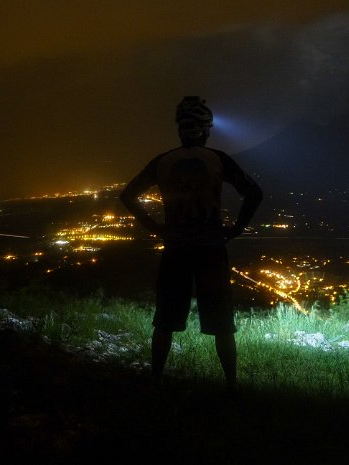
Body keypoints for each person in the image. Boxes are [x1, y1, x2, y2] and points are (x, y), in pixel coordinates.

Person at [119, 96, 262, 392]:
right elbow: (254, 193)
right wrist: (235, 228)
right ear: (207, 129)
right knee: (221, 322)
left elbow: (128, 195)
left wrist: (156, 227)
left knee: (165, 320)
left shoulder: (162, 162)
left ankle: (156, 379)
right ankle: (231, 386)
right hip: (211, 247)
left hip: (176, 248)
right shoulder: (218, 159)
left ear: (180, 128)